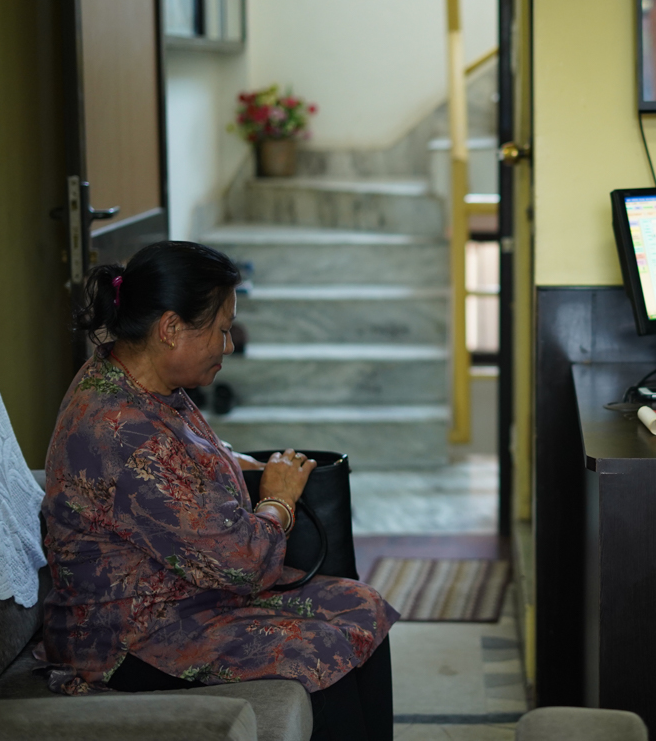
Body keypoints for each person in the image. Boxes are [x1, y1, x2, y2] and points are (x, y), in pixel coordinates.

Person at [43, 241, 399, 740]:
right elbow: (243, 564)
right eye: (222, 330)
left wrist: (235, 461)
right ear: (170, 329)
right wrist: (277, 499)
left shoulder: (136, 380)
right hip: (128, 637)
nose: (228, 346)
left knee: (364, 607)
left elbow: (179, 457)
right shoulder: (117, 426)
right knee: (321, 651)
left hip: (190, 596)